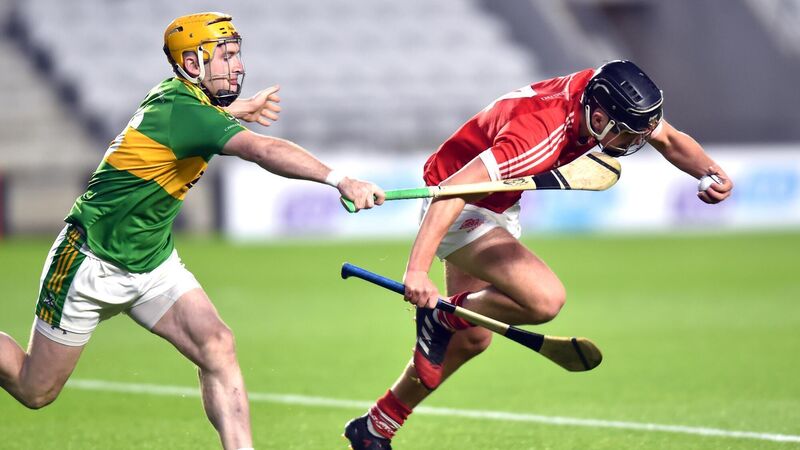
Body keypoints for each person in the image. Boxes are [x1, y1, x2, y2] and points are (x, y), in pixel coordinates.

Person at [0, 12, 385, 450]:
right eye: (224, 56)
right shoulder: (187, 112)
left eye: (237, 53)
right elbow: (262, 149)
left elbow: (196, 118)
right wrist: (341, 179)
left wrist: (236, 108)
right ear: (191, 64)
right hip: (91, 261)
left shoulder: (180, 101)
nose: (237, 65)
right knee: (35, 391)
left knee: (217, 345)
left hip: (153, 263)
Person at [343, 60, 733, 449]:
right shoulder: (537, 134)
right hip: (458, 206)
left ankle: (375, 428)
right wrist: (417, 271)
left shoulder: (604, 96)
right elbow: (452, 191)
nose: (633, 144)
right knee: (544, 298)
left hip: (497, 202)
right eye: (627, 136)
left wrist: (708, 172)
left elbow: (667, 138)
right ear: (598, 117)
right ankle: (443, 316)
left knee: (474, 337)